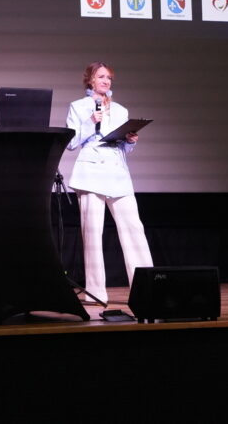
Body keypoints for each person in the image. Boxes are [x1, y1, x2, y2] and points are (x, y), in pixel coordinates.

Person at [66, 62, 152, 305]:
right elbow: (71, 143)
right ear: (90, 80)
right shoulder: (78, 106)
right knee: (92, 234)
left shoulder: (121, 110)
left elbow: (123, 147)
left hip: (117, 174)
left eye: (109, 78)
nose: (106, 81)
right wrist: (89, 121)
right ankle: (95, 292)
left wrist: (130, 141)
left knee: (134, 229)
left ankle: (146, 286)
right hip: (91, 173)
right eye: (101, 76)